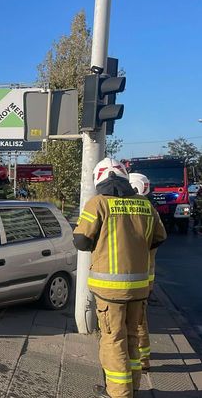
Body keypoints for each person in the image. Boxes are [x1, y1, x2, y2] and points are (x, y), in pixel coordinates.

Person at [73, 158, 167, 398]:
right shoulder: (145, 205)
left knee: (113, 340)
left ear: (99, 179)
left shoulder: (99, 204)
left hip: (109, 290)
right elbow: (159, 237)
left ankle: (118, 393)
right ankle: (133, 386)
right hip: (139, 288)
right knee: (133, 336)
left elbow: (81, 241)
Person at [129, 172, 157, 371]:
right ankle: (143, 357)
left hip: (137, 275)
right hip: (146, 275)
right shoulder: (149, 208)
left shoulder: (137, 208)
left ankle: (141, 360)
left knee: (138, 322)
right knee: (139, 319)